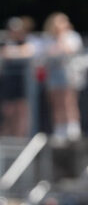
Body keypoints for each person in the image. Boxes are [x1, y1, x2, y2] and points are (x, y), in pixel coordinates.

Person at [41, 12, 84, 142]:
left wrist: (61, 38)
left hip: (69, 73)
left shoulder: (72, 37)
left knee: (69, 101)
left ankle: (73, 128)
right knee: (56, 102)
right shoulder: (48, 38)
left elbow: (69, 50)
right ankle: (59, 128)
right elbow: (48, 53)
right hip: (54, 73)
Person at [0, 16, 38, 137]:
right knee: (8, 111)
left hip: (23, 82)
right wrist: (17, 52)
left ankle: (21, 136)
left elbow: (28, 51)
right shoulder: (3, 42)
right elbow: (3, 53)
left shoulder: (26, 42)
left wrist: (13, 52)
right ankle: (9, 135)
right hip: (8, 82)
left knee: (22, 111)